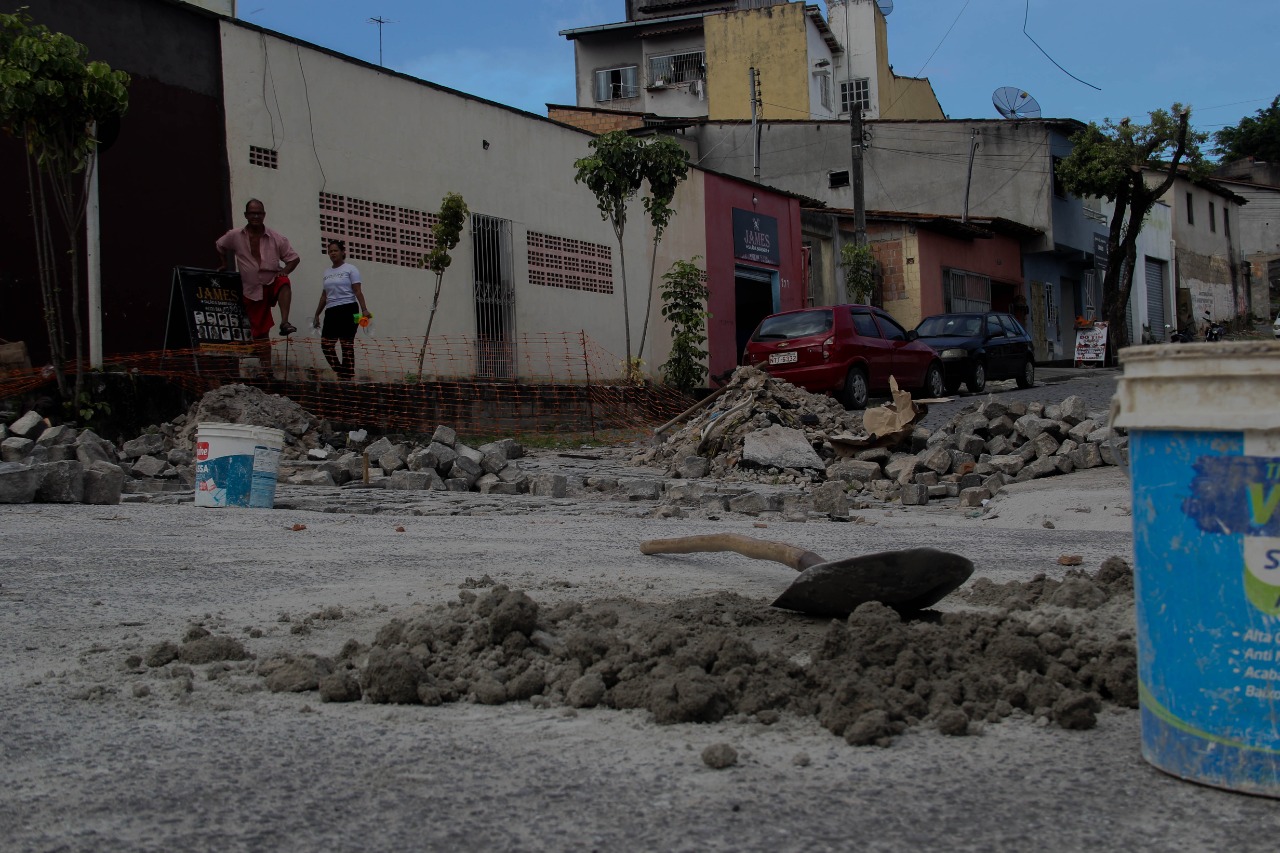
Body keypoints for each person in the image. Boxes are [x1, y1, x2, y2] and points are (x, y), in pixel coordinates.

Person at [215, 199, 301, 366]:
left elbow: (294, 259)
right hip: (252, 289)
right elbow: (220, 245)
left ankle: (284, 322)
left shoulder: (276, 238)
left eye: (259, 213)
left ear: (264, 215)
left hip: (271, 282)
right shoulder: (235, 235)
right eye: (252, 213)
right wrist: (225, 264)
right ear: (246, 215)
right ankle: (266, 369)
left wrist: (285, 270)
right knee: (261, 332)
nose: (256, 216)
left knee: (284, 280)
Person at [313, 239, 369, 380]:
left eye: (335, 250)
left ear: (342, 252)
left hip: (349, 309)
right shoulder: (327, 272)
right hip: (331, 311)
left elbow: (357, 291)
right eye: (330, 251)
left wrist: (364, 310)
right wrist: (317, 314)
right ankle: (341, 372)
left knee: (346, 343)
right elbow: (324, 295)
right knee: (326, 345)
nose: (332, 253)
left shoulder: (351, 269)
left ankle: (347, 377)